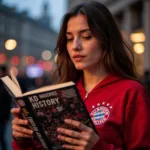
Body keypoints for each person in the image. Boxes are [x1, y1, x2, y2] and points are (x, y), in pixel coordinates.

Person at [11, 1, 150, 150]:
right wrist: (22, 140)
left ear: (106, 40)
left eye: (86, 36)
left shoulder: (130, 92)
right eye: (70, 39)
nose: (75, 46)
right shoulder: (60, 93)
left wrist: (98, 147)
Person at [0, 65, 12, 150]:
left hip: (2, 116)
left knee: (1, 136)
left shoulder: (6, 84)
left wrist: (7, 116)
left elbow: (8, 102)